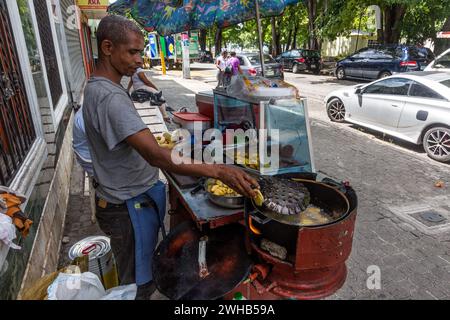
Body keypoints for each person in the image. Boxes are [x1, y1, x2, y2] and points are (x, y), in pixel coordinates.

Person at [82, 15, 257, 300]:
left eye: (141, 51)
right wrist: (218, 171)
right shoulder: (110, 98)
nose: (140, 60)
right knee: (138, 283)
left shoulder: (99, 86)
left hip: (121, 198)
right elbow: (154, 154)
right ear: (107, 47)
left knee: (136, 272)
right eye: (133, 52)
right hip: (128, 207)